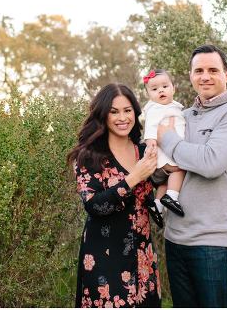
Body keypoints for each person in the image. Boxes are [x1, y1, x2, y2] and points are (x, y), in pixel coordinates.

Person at [153, 44, 227, 308]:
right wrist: (163, 169)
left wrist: (170, 141)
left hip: (213, 242)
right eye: (199, 70)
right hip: (175, 239)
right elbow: (163, 167)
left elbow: (211, 163)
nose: (205, 76)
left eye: (213, 70)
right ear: (190, 76)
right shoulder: (183, 115)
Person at [67, 83, 162, 308]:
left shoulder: (143, 151)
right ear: (103, 115)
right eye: (114, 111)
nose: (122, 118)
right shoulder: (88, 156)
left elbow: (153, 198)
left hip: (143, 256)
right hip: (104, 258)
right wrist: (134, 177)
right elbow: (94, 206)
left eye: (127, 110)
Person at [140, 69, 187, 227]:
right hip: (164, 151)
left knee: (164, 182)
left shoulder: (175, 107)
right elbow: (151, 126)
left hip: (171, 148)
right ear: (149, 94)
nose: (160, 90)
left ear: (173, 88)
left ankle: (158, 206)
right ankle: (172, 197)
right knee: (178, 170)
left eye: (165, 86)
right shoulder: (155, 108)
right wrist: (150, 140)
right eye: (154, 89)